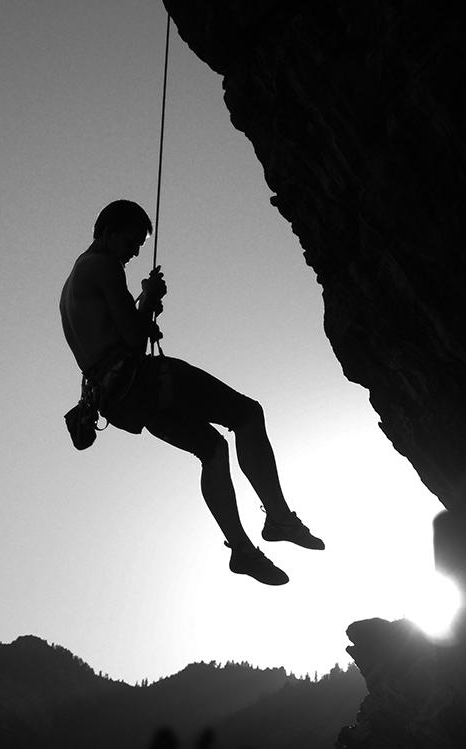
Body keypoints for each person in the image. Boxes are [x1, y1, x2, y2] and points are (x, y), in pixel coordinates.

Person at [60, 199, 324, 586]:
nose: (134, 252)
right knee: (247, 414)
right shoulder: (104, 265)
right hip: (145, 380)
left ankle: (242, 550)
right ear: (109, 231)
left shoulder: (73, 282)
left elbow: (110, 335)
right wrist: (150, 298)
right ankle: (280, 518)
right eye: (131, 242)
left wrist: (144, 302)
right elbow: (132, 338)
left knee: (211, 449)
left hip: (119, 400)